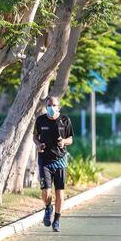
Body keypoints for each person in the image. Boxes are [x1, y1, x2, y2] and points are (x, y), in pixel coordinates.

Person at [33, 96, 73, 232]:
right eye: (49, 105)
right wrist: (38, 144)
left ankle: (56, 220)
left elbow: (71, 139)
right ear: (46, 106)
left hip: (60, 160)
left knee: (60, 194)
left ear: (58, 107)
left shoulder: (65, 120)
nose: (51, 107)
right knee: (46, 191)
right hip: (44, 160)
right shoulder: (40, 120)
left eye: (54, 105)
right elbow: (35, 136)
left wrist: (64, 142)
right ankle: (48, 207)